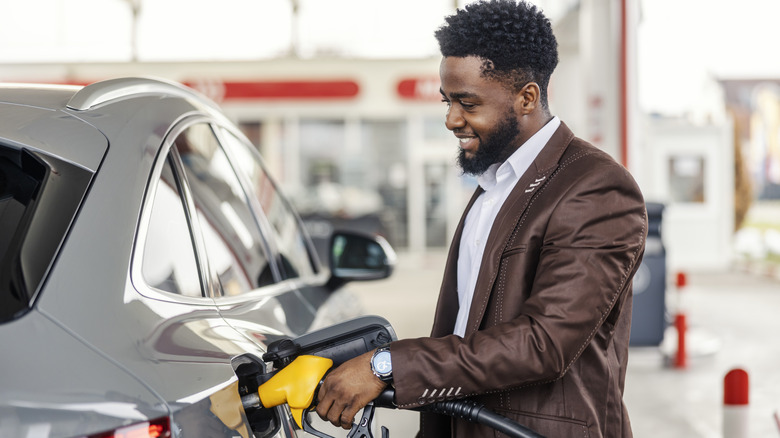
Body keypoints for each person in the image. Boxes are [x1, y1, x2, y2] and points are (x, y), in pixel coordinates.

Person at [315, 1, 647, 436]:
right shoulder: (494, 186)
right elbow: (463, 326)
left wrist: (386, 366)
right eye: (447, 101)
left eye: (467, 103)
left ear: (527, 97)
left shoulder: (596, 188)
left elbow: (544, 343)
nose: (451, 119)